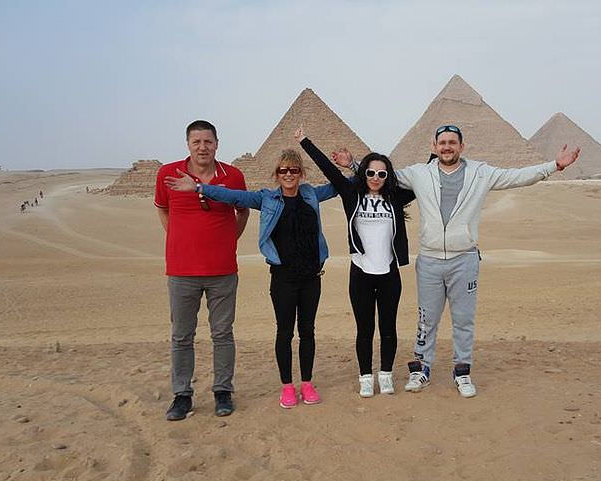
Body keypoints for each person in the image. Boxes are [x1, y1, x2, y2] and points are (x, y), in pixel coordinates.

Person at [334, 125, 580, 398]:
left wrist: (554, 166)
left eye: (452, 142)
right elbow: (381, 177)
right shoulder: (420, 173)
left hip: (464, 258)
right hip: (429, 259)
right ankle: (421, 369)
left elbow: (516, 177)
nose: (447, 147)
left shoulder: (480, 173)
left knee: (463, 320)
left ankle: (462, 372)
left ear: (462, 146)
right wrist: (354, 164)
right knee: (426, 320)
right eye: (442, 143)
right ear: (435, 146)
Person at [165, 148, 338, 410]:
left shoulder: (312, 194)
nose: (288, 175)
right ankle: (287, 387)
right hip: (283, 278)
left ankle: (307, 383)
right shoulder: (267, 198)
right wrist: (199, 187)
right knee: (284, 332)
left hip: (312, 276)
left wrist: (353, 165)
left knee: (308, 331)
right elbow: (232, 195)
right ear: (276, 174)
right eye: (283, 170)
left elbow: (341, 184)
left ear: (301, 173)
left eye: (294, 170)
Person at [295, 127, 415, 397]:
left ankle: (385, 375)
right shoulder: (352, 195)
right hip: (360, 271)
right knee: (364, 329)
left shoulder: (395, 198)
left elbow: (425, 181)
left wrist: (433, 153)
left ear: (388, 177)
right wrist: (305, 141)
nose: (375, 177)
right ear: (364, 174)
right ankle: (365, 376)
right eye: (370, 172)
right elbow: (329, 171)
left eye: (382, 173)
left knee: (388, 328)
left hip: (389, 272)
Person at [154, 120, 250, 421]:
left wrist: (227, 240)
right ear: (188, 144)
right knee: (182, 336)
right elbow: (162, 208)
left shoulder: (233, 176)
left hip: (222, 269)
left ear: (217, 143)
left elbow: (243, 209)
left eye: (208, 142)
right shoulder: (167, 174)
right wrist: (178, 240)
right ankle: (182, 395)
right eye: (196, 142)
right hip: (182, 272)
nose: (202, 147)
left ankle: (223, 391)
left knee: (222, 333)